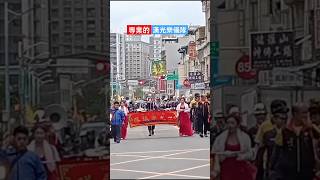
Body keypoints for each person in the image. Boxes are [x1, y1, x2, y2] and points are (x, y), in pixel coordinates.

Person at [271, 103, 315, 180]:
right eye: (303, 112)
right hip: (288, 175)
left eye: (307, 112)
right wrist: (273, 171)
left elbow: (314, 150)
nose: (306, 115)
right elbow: (276, 153)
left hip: (307, 174)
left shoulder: (310, 130)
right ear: (295, 114)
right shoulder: (284, 131)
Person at [212, 113, 255, 180]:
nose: (230, 125)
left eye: (232, 123)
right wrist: (217, 165)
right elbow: (215, 153)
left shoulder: (245, 137)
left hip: (241, 169)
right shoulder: (220, 137)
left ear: (237, 124)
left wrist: (241, 156)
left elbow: (250, 153)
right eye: (228, 123)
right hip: (226, 169)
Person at [255, 100, 289, 180]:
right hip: (271, 167)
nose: (284, 118)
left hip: (287, 167)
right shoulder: (265, 126)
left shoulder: (289, 127)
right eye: (281, 114)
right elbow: (259, 147)